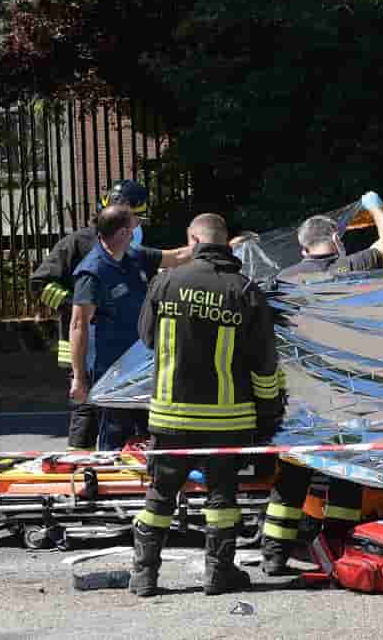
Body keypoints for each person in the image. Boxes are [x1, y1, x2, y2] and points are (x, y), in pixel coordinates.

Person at [129, 213, 284, 598]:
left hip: (170, 415)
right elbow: (265, 362)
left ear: (193, 239)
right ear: (225, 241)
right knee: (222, 499)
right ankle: (218, 574)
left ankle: (144, 576)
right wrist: (269, 413)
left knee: (160, 495)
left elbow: (147, 339)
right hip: (227, 418)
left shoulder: (164, 282)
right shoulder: (245, 288)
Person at [259, 192, 383, 575]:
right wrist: (373, 207)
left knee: (291, 475)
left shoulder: (281, 282)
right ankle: (337, 548)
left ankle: (273, 554)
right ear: (336, 240)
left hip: (300, 396)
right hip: (346, 395)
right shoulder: (351, 268)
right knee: (346, 473)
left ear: (302, 246)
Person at [30, 180, 150, 449]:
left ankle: (131, 462)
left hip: (130, 344)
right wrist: (78, 304)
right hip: (85, 343)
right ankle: (80, 469)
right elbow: (40, 283)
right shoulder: (77, 243)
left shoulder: (139, 245)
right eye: (133, 218)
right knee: (86, 408)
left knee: (133, 405)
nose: (135, 226)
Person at [68, 204, 193, 450]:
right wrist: (79, 378)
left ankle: (148, 486)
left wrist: (218, 246)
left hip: (142, 367)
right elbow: (78, 325)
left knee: (151, 435)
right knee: (114, 440)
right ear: (124, 232)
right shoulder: (92, 272)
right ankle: (108, 483)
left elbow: (176, 257)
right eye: (136, 224)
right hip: (112, 372)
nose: (139, 228)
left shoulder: (133, 256)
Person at [276, 191, 383, 284]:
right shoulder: (350, 266)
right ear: (336, 238)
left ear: (304, 250)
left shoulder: (284, 277)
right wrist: (374, 207)